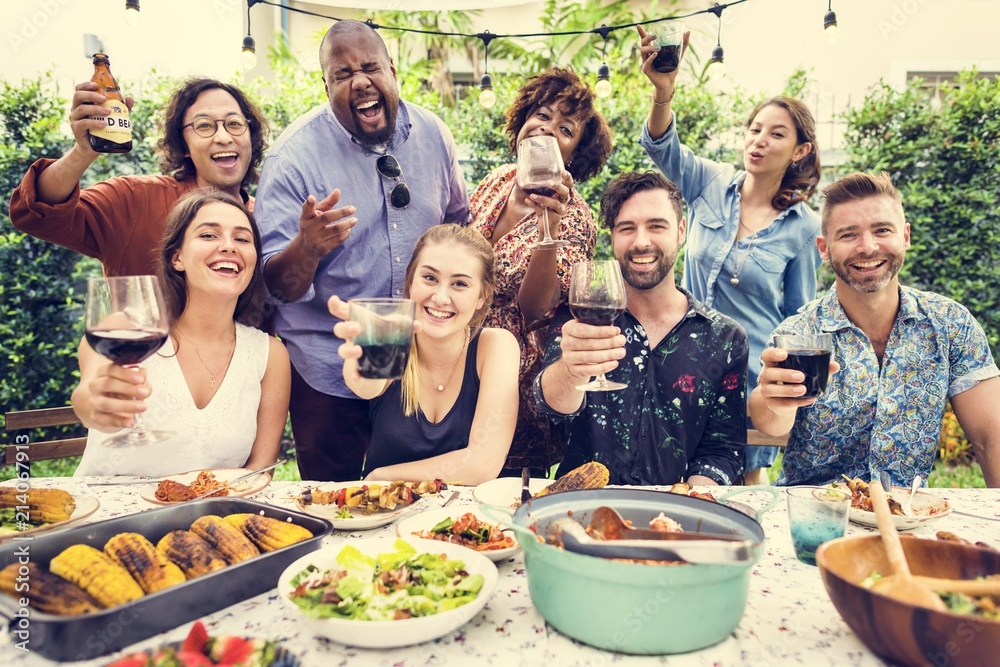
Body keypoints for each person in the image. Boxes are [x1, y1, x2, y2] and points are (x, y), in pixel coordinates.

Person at [255, 20, 469, 482]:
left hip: (413, 362)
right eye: (342, 74)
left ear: (393, 71)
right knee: (338, 509)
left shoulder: (434, 135)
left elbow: (457, 229)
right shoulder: (292, 159)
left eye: (370, 67)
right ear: (326, 85)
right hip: (328, 370)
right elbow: (276, 286)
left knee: (410, 503)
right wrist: (307, 247)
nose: (359, 82)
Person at [636, 25, 821, 486]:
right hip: (686, 365)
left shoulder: (804, 227)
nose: (759, 140)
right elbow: (661, 146)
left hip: (753, 378)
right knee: (673, 484)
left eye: (776, 134)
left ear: (800, 151)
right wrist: (664, 93)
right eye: (755, 129)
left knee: (740, 494)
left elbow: (799, 318)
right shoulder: (712, 183)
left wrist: (789, 391)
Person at [749, 172, 1000, 488]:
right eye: (848, 235)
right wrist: (772, 400)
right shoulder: (800, 333)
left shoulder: (951, 324)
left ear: (905, 236)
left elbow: (992, 437)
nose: (867, 247)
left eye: (882, 230)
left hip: (908, 516)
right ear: (824, 249)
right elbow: (769, 420)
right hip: (817, 519)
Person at [535, 171, 748, 486]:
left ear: (681, 231)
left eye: (656, 226)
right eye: (627, 228)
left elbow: (723, 451)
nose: (641, 242)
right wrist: (571, 369)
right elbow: (551, 410)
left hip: (676, 518)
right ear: (612, 237)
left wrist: (684, 505)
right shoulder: (576, 318)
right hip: (580, 511)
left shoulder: (725, 338)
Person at [71, 190, 290, 476]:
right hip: (105, 517)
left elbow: (261, 471)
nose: (228, 246)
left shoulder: (270, 355)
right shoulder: (123, 328)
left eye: (242, 238)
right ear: (177, 258)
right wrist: (96, 406)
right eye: (209, 235)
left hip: (208, 521)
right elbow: (88, 395)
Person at [469, 67, 612, 478]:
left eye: (565, 129)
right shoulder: (496, 181)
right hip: (459, 368)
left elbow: (535, 309)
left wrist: (548, 233)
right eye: (542, 115)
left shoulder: (577, 217)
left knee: (503, 502)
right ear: (522, 120)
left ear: (572, 154)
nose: (546, 130)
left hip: (517, 385)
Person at [9, 78, 268, 277]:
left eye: (234, 124)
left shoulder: (271, 216)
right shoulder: (134, 199)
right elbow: (36, 212)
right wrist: (82, 152)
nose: (223, 137)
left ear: (251, 136)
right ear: (183, 146)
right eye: (204, 126)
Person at [328, 224, 519, 485]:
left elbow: (482, 465)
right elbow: (366, 386)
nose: (441, 297)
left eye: (460, 284)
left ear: (481, 297)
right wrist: (361, 357)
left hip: (463, 519)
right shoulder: (389, 336)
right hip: (383, 513)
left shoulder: (496, 346)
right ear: (410, 282)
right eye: (430, 278)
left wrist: (380, 477)